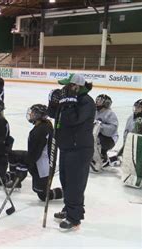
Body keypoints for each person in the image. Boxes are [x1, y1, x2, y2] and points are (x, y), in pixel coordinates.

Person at [48, 73, 95, 230]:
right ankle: (69, 209)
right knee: (66, 181)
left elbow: (73, 120)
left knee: (75, 183)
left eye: (67, 85)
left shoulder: (86, 102)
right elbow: (54, 116)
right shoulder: (69, 99)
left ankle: (74, 218)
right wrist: (53, 103)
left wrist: (68, 103)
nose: (64, 88)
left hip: (79, 149)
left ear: (76, 86)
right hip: (67, 146)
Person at [6, 104, 63, 202]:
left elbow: (35, 154)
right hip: (37, 160)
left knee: (43, 195)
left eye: (33, 113)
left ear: (39, 116)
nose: (30, 114)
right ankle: (15, 179)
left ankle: (66, 192)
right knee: (13, 155)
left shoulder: (40, 131)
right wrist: (24, 165)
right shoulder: (44, 125)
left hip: (43, 167)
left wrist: (24, 166)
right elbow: (33, 154)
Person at [108, 99, 142, 166]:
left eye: (138, 107)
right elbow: (127, 133)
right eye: (136, 107)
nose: (136, 109)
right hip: (131, 146)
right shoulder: (131, 117)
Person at [91, 94, 118, 172]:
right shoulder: (94, 112)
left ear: (106, 103)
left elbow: (112, 129)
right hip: (98, 136)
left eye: (100, 101)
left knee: (97, 140)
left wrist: (101, 126)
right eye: (97, 100)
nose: (97, 102)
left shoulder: (110, 114)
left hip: (110, 139)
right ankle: (94, 157)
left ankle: (103, 158)